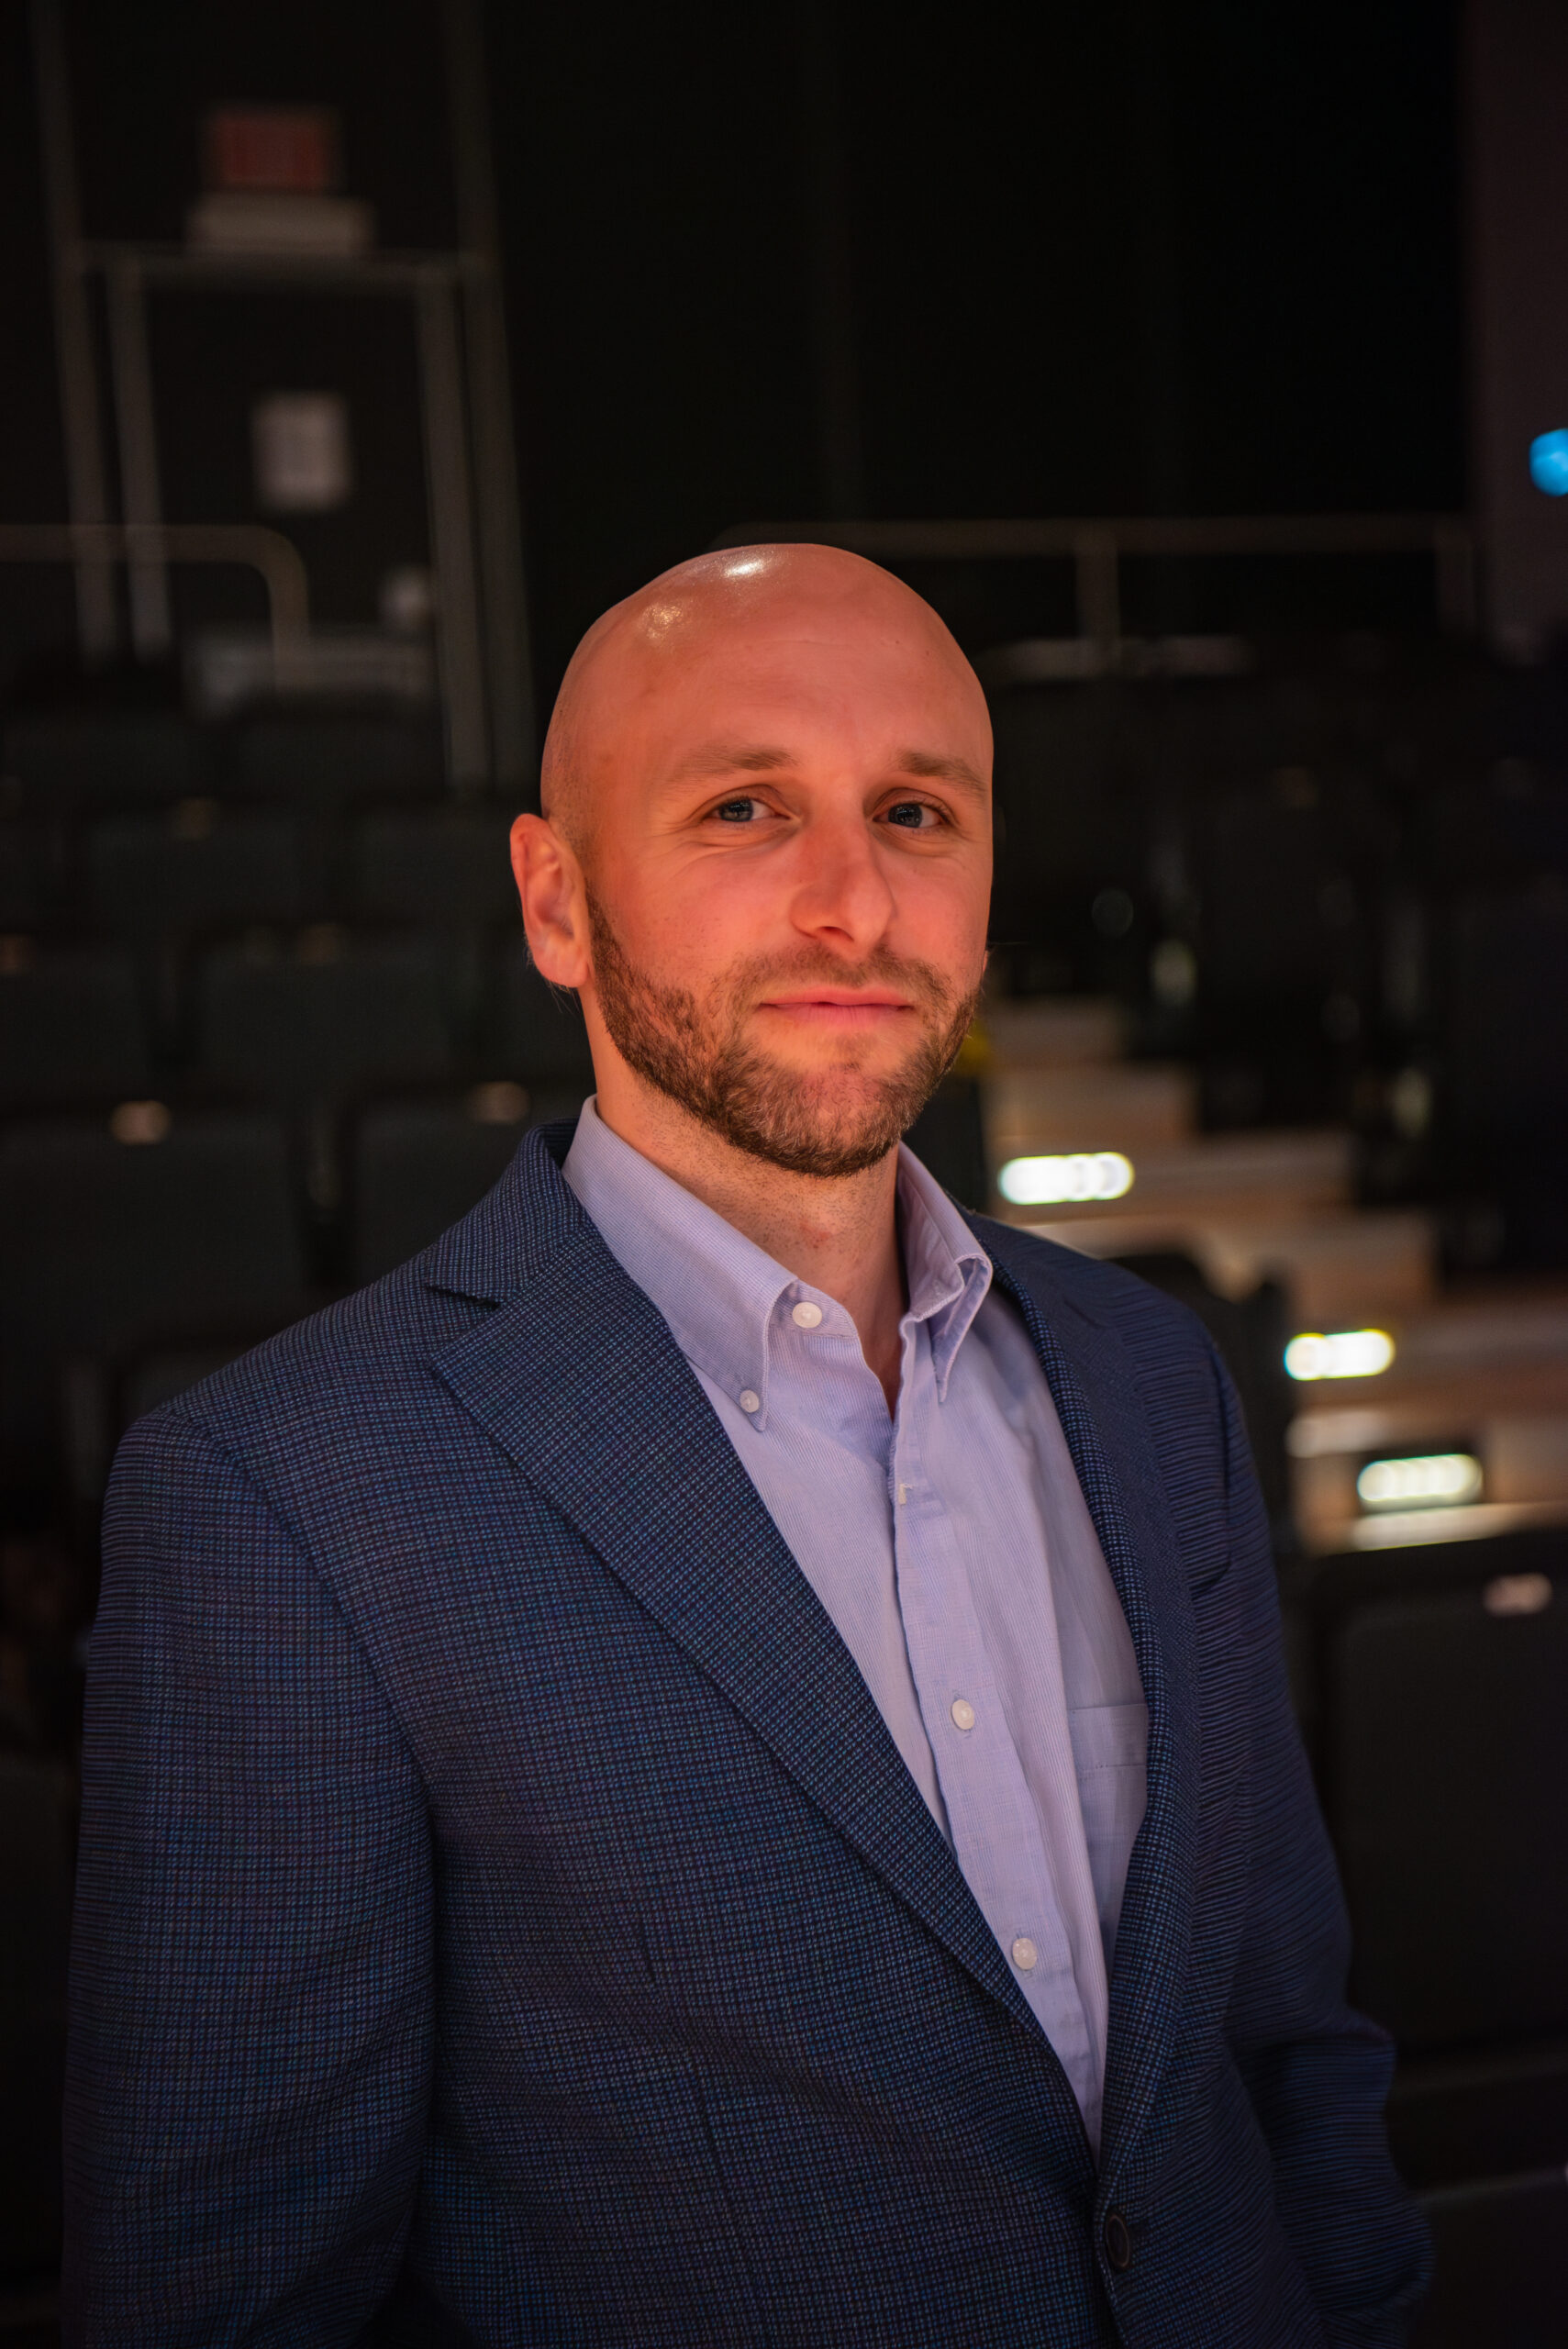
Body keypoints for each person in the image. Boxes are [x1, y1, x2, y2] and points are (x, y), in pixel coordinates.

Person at [65, 546, 1429, 2345]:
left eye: (917, 812)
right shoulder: (287, 1497)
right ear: (557, 901)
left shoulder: (1154, 1374)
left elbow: (1284, 2037)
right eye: (743, 809)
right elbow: (232, 2301)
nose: (853, 903)